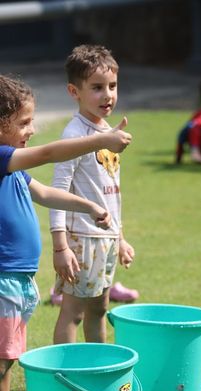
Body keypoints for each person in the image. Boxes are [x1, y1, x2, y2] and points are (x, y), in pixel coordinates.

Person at [0, 74, 131, 391]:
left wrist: (87, 206)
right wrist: (99, 140)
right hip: (3, 280)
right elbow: (48, 154)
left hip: (19, 281)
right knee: (1, 362)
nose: (32, 129)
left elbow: (45, 192)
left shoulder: (15, 169)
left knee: (6, 359)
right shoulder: (3, 158)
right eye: (24, 123)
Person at [49, 44, 137, 345]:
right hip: (81, 239)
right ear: (75, 92)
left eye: (112, 86)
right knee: (73, 312)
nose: (108, 94)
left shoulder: (108, 131)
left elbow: (111, 194)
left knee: (99, 309)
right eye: (97, 88)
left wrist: (119, 237)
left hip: (105, 239)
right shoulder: (74, 135)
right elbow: (57, 191)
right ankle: (65, 375)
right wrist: (61, 246)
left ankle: (96, 369)